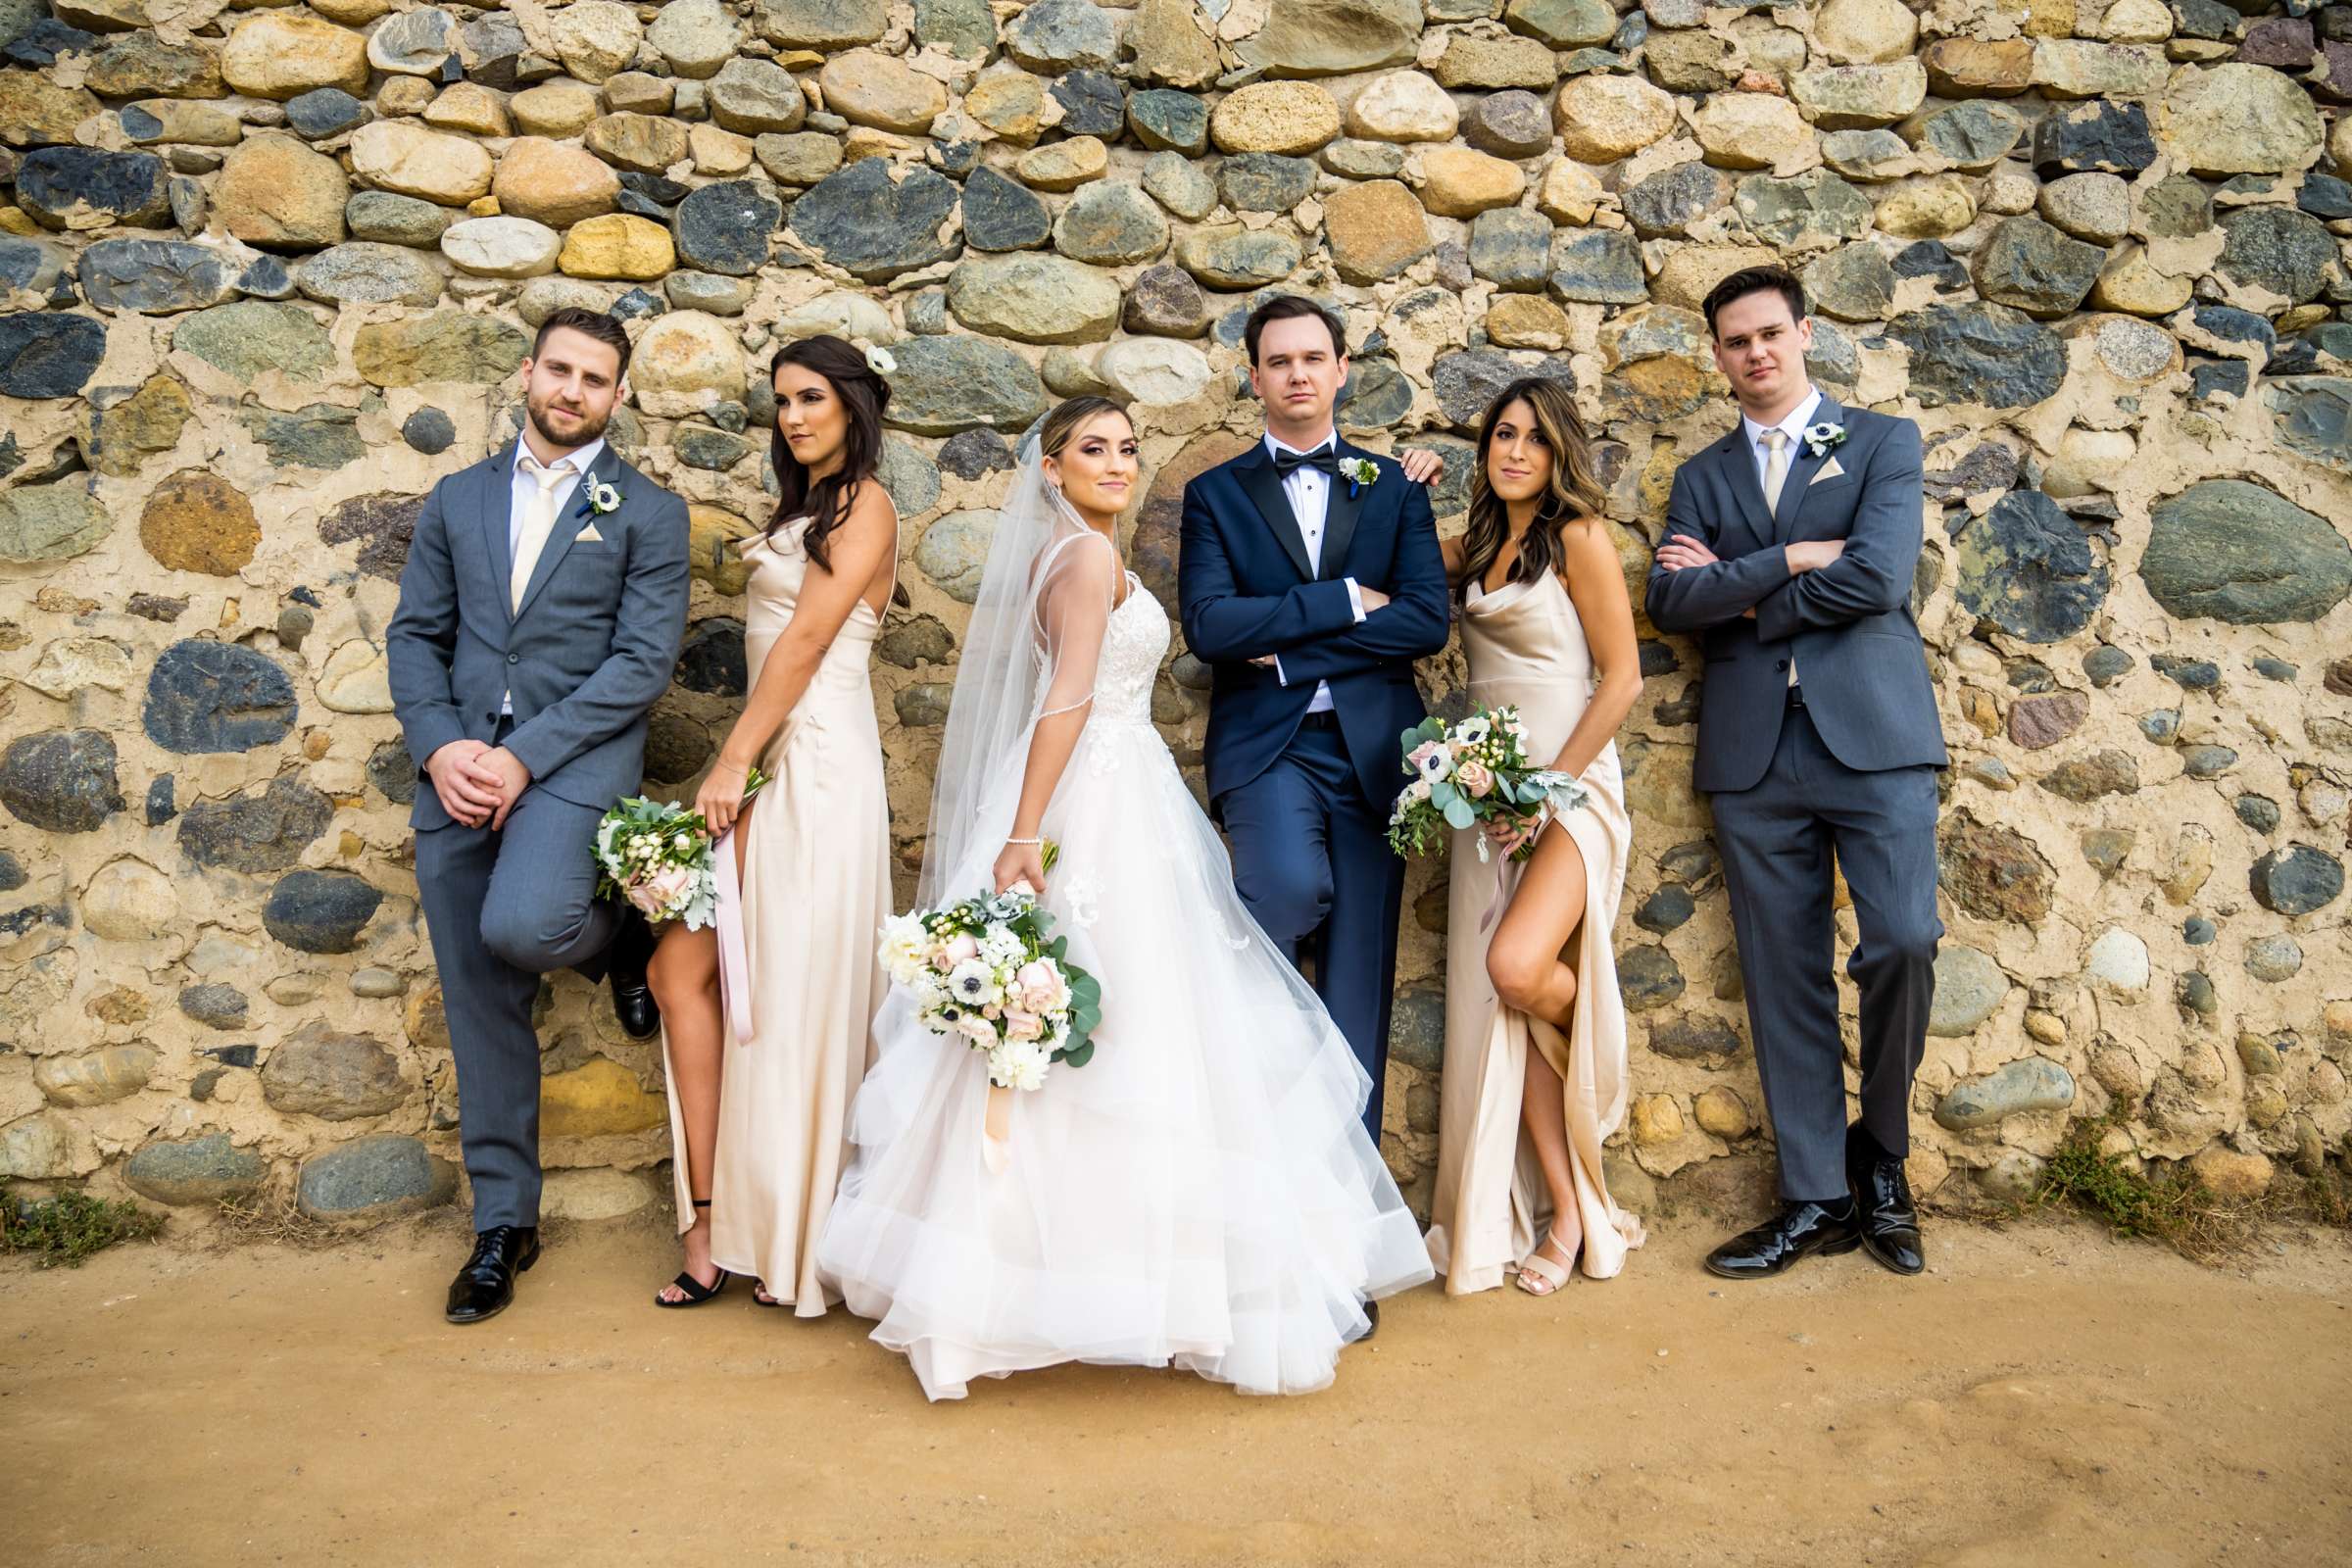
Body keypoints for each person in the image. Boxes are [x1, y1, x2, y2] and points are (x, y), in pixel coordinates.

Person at [815, 398, 1433, 1401]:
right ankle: (1114, 1280)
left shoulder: (1066, 556)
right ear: (1050, 471)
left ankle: (1050, 1274)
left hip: (1110, 783)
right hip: (1093, 796)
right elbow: (1066, 702)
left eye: (1126, 449)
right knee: (1138, 1027)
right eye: (1091, 451)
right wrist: (1026, 834)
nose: (1115, 463)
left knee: (1107, 1031)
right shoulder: (1090, 562)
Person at [385, 307, 689, 1323]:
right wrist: (441, 747)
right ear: (527, 374)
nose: (572, 391)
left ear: (618, 396)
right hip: (457, 763)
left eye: (594, 379)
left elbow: (642, 666)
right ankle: (504, 1224)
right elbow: (415, 636)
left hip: (572, 759)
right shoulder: (456, 499)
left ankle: (621, 933)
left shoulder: (646, 511)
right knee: (479, 997)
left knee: (524, 927)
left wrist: (521, 758)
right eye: (558, 370)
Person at [1644, 267, 1946, 1281]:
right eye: (1736, 341)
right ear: (1719, 355)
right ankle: (1816, 1194)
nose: (1756, 353)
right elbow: (1672, 604)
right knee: (1783, 978)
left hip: (1876, 737)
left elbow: (1878, 575)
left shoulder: (1880, 443)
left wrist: (1739, 589)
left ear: (1804, 332)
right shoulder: (1703, 474)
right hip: (1752, 753)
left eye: (1770, 333)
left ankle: (1885, 1160)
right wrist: (1789, 560)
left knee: (1904, 940)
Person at [646, 335, 899, 1313]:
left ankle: (794, 1243)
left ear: (852, 408)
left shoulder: (868, 505)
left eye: (811, 399)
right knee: (680, 971)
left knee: (794, 992)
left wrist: (732, 757)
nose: (793, 417)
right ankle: (710, 1225)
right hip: (770, 760)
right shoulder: (806, 509)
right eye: (782, 402)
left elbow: (804, 640)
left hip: (816, 763)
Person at [1175, 295, 1449, 1158]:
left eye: (1312, 359)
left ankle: (1346, 1222)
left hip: (1375, 756)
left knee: (1360, 982)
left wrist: (1291, 652)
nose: (1297, 374)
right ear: (1254, 378)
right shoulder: (1213, 495)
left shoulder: (1394, 486)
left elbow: (1425, 621)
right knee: (1279, 905)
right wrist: (1337, 602)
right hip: (1270, 752)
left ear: (1340, 371)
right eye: (1279, 361)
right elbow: (1214, 629)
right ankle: (1262, 1175)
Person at [1423, 378, 1646, 1297]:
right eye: (1501, 436)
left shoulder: (1581, 539)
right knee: (1503, 1008)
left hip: (1570, 787)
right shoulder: (1475, 544)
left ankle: (1601, 1039)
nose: (1514, 452)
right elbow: (1379, 560)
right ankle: (1566, 1213)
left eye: (1534, 440)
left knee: (1519, 969)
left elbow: (1624, 679)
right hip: (1486, 799)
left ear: (1560, 455)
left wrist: (1552, 792)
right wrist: (1403, 481)